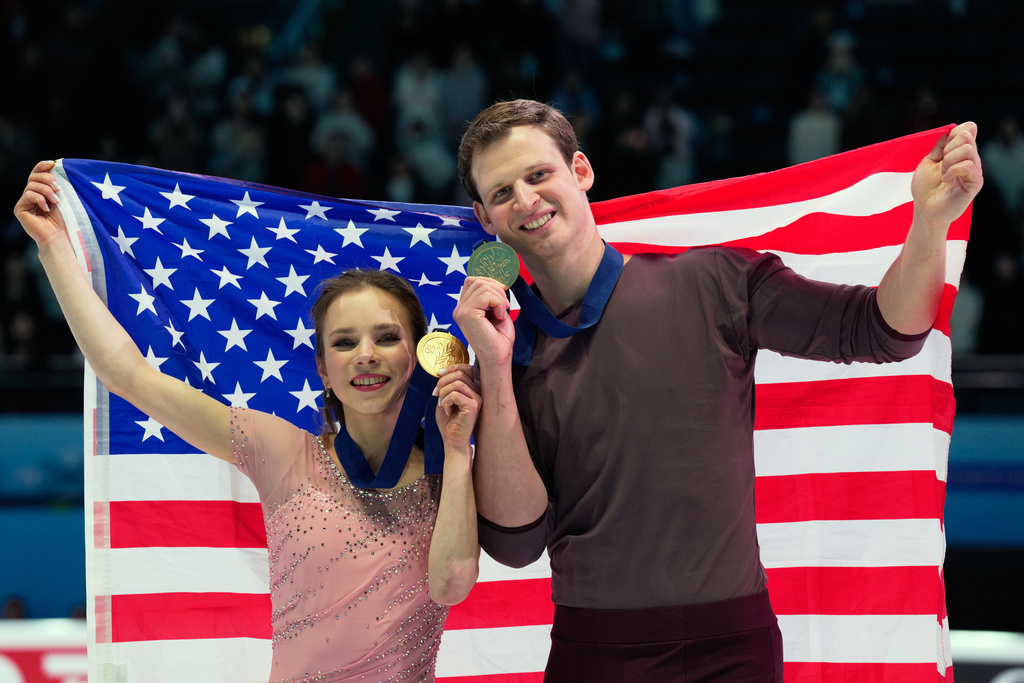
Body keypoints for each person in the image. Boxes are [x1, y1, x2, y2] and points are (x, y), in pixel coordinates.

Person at [452, 100, 983, 680]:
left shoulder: (715, 284)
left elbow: (885, 332)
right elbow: (516, 545)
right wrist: (497, 370)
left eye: (538, 175)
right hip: (594, 655)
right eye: (502, 193)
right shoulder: (509, 355)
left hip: (733, 653)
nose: (526, 200)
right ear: (484, 217)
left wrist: (930, 223)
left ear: (580, 171)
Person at [14, 160, 481, 682]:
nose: (365, 355)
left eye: (386, 338)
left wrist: (458, 451)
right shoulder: (282, 450)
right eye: (344, 342)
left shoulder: (447, 470)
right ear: (324, 370)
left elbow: (452, 585)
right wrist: (53, 247)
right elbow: (127, 374)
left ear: (416, 356)